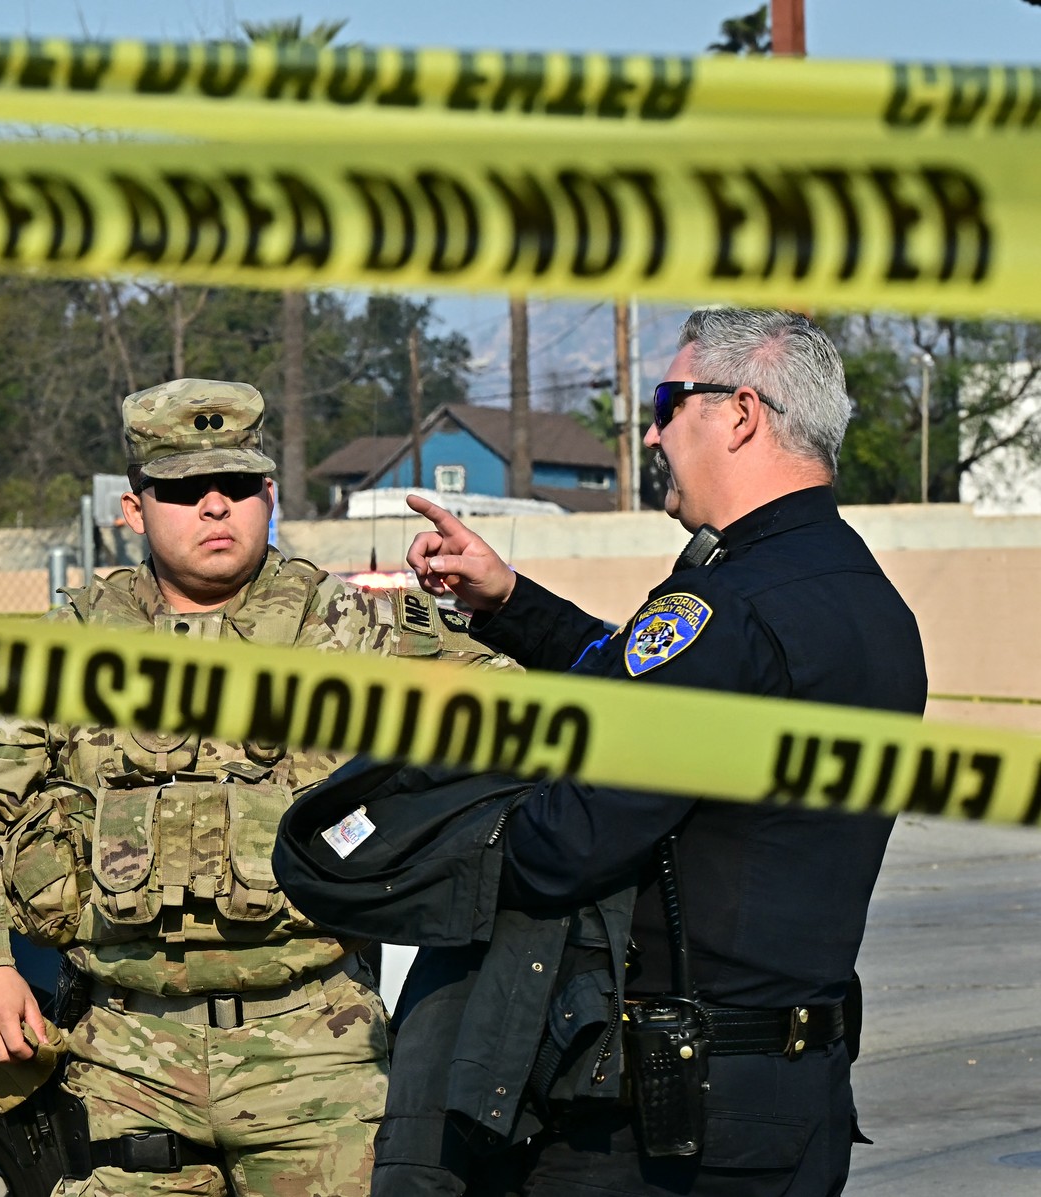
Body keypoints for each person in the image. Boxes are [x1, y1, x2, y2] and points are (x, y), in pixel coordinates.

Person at [0, 377, 514, 1197]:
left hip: (318, 1053)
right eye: (182, 489)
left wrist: (504, 601)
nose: (214, 506)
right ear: (134, 508)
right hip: (123, 1056)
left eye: (236, 485)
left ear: (268, 494)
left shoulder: (352, 630)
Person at [397, 308, 927, 1195]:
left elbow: (570, 841)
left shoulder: (728, 608)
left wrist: (432, 843)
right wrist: (509, 600)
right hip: (800, 1103)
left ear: (742, 413)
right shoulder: (868, 603)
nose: (649, 430)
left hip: (672, 1128)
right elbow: (653, 675)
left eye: (667, 401)